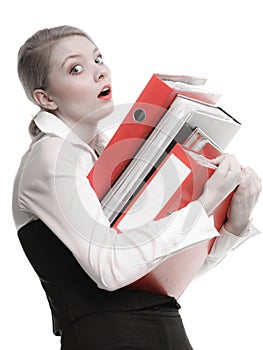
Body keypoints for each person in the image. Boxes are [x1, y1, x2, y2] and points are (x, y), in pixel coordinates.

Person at [12, 25, 261, 350]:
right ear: (45, 99)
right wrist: (203, 204)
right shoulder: (50, 155)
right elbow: (111, 271)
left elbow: (162, 278)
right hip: (109, 339)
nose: (100, 72)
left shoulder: (110, 154)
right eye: (76, 68)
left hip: (167, 332)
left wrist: (232, 226)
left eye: (99, 59)